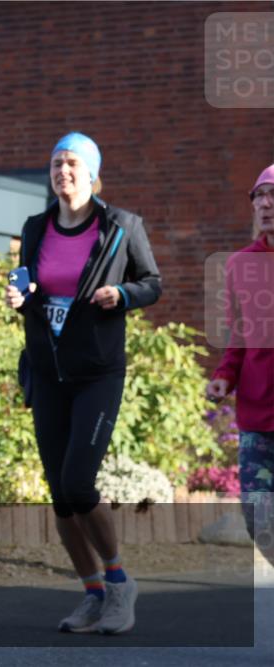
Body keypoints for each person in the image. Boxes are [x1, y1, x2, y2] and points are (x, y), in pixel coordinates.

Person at [4, 132, 162, 635]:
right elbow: (28, 281)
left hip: (97, 372)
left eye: (72, 164)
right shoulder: (35, 227)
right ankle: (92, 594)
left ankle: (120, 584)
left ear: (92, 173)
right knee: (59, 494)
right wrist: (18, 294)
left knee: (78, 483)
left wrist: (124, 293)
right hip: (48, 372)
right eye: (55, 164)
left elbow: (153, 282)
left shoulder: (121, 226)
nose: (62, 172)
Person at [206, 163, 274, 565]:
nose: (265, 204)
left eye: (273, 195)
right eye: (259, 196)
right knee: (258, 518)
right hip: (257, 415)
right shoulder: (239, 265)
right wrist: (224, 377)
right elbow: (240, 336)